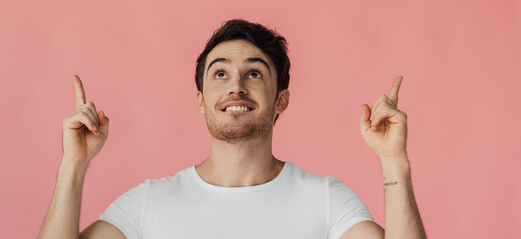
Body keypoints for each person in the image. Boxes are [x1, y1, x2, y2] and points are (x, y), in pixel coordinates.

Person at [38, 19, 426, 239]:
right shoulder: (148, 202)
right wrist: (73, 164)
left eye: (254, 73)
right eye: (220, 72)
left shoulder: (326, 200)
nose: (235, 86)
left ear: (281, 100)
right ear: (201, 98)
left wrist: (394, 161)